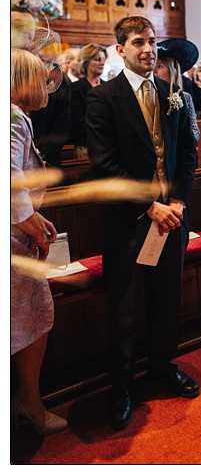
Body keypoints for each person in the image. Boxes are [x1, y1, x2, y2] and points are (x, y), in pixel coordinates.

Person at [84, 16, 199, 431]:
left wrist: (180, 201)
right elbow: (104, 166)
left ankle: (162, 366)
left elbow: (186, 153)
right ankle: (121, 386)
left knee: (168, 297)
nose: (148, 49)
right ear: (121, 50)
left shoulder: (174, 95)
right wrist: (152, 205)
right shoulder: (103, 98)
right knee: (125, 306)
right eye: (138, 42)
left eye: (152, 41)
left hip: (174, 218)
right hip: (130, 220)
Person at [11, 47, 68, 436]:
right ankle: (29, 403)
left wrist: (36, 217)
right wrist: (34, 228)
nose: (47, 82)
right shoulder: (14, 118)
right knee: (33, 321)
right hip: (13, 244)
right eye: (41, 76)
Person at [67, 43, 108, 155]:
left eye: (103, 59)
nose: (102, 63)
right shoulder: (76, 88)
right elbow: (78, 121)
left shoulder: (108, 87)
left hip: (109, 144)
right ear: (86, 62)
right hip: (86, 145)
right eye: (97, 59)